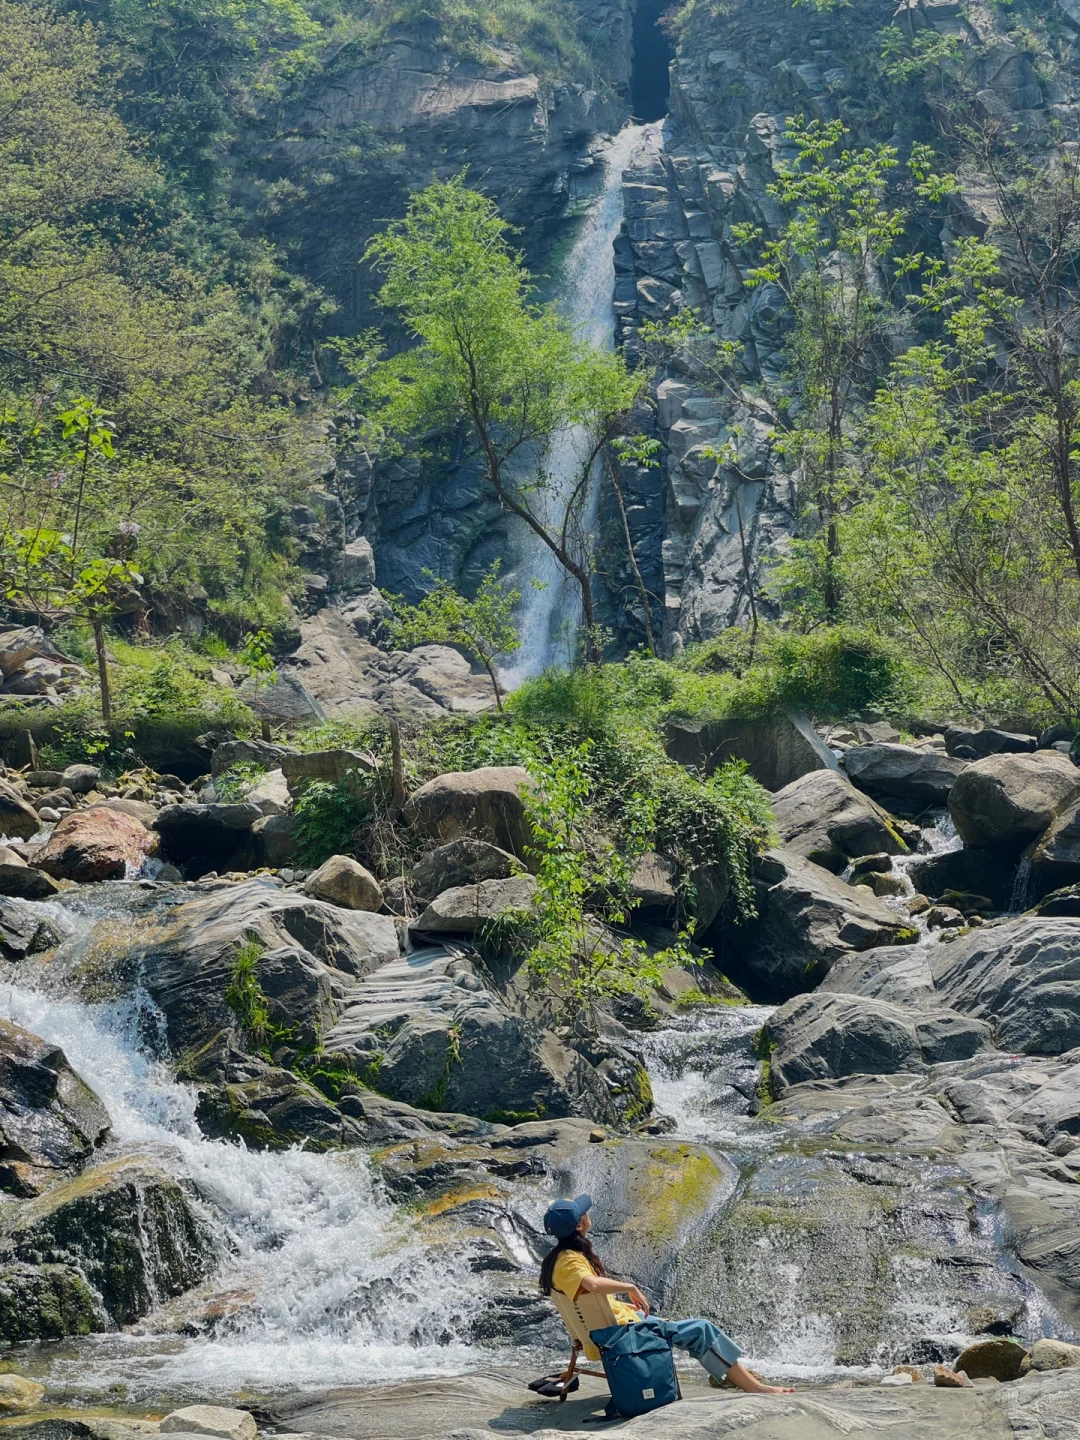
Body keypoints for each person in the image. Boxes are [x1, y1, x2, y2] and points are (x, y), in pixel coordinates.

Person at [540, 1193, 795, 1396]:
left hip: (615, 1328)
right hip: (619, 1336)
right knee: (702, 1329)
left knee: (680, 1327)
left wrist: (627, 1305)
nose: (587, 1213)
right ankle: (753, 1387)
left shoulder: (557, 1259)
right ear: (579, 1225)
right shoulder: (569, 1262)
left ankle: (731, 1374)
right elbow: (592, 1284)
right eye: (583, 1212)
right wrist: (629, 1287)